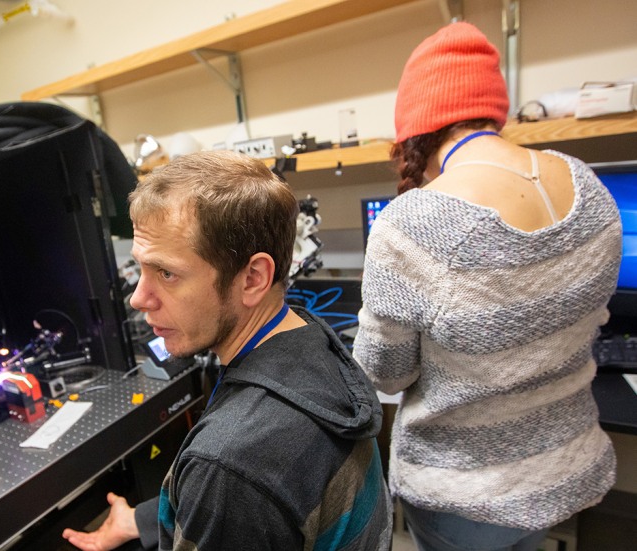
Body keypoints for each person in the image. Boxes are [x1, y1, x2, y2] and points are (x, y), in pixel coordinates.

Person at [353, 21, 622, 551]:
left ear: (417, 131)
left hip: (465, 493)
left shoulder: (414, 220)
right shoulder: (587, 184)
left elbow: (382, 372)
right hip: (558, 470)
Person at [63, 150, 392, 550]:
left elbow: (235, 482)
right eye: (142, 269)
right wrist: (139, 520)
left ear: (252, 278)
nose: (139, 298)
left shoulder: (231, 465)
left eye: (166, 273)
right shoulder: (310, 338)